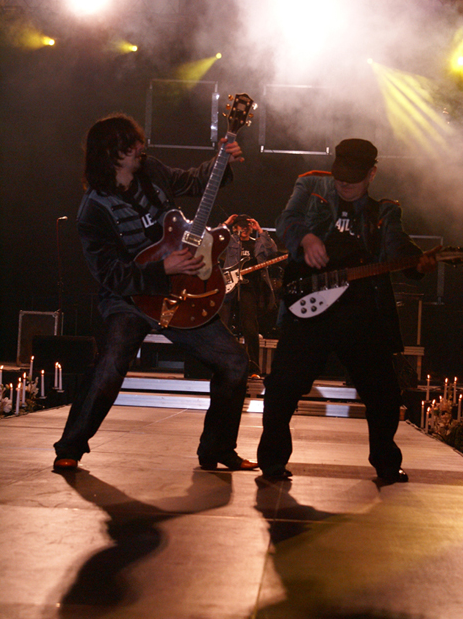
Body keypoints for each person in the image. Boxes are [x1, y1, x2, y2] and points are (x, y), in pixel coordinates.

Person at [53, 113, 258, 472]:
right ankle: (70, 446)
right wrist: (162, 269)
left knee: (234, 363)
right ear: (111, 155)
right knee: (110, 364)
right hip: (130, 298)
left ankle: (218, 449)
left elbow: (193, 181)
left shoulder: (151, 170)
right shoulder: (94, 210)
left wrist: (222, 158)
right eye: (130, 145)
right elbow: (110, 274)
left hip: (181, 291)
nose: (140, 147)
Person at [257, 138, 437, 483]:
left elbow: (398, 247)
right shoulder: (311, 186)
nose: (344, 184)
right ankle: (273, 461)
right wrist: (306, 238)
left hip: (361, 315)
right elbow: (287, 219)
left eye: (353, 179)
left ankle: (386, 463)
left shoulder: (384, 212)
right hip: (309, 310)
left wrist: (419, 263)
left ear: (372, 174)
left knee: (383, 394)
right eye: (340, 177)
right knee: (282, 387)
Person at [220, 215, 277, 378]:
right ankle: (222, 365)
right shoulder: (230, 241)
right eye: (240, 226)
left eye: (247, 226)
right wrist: (225, 224)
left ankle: (253, 367)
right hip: (229, 288)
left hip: (249, 290)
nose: (244, 228)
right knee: (224, 326)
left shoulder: (257, 243)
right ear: (235, 228)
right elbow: (212, 240)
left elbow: (272, 250)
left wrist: (260, 230)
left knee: (250, 328)